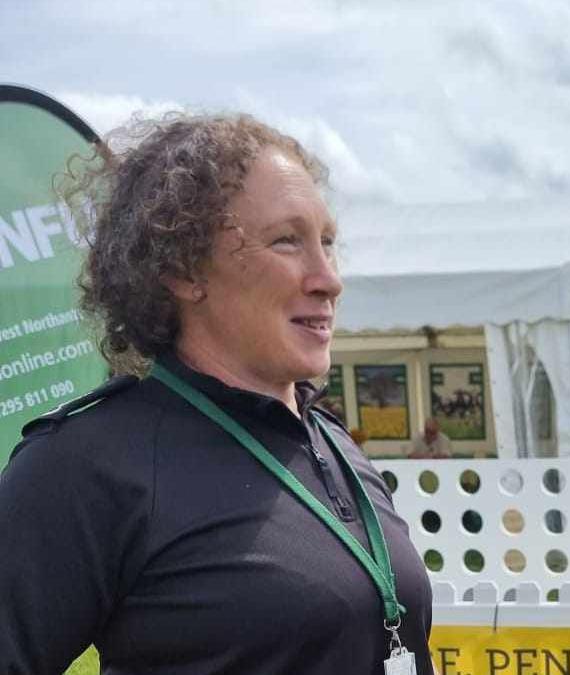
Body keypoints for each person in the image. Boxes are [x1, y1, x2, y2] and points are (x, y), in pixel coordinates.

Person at [0, 114, 434, 674]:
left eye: (327, 242)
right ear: (183, 270)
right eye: (286, 241)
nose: (329, 278)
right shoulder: (91, 463)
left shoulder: (332, 442)